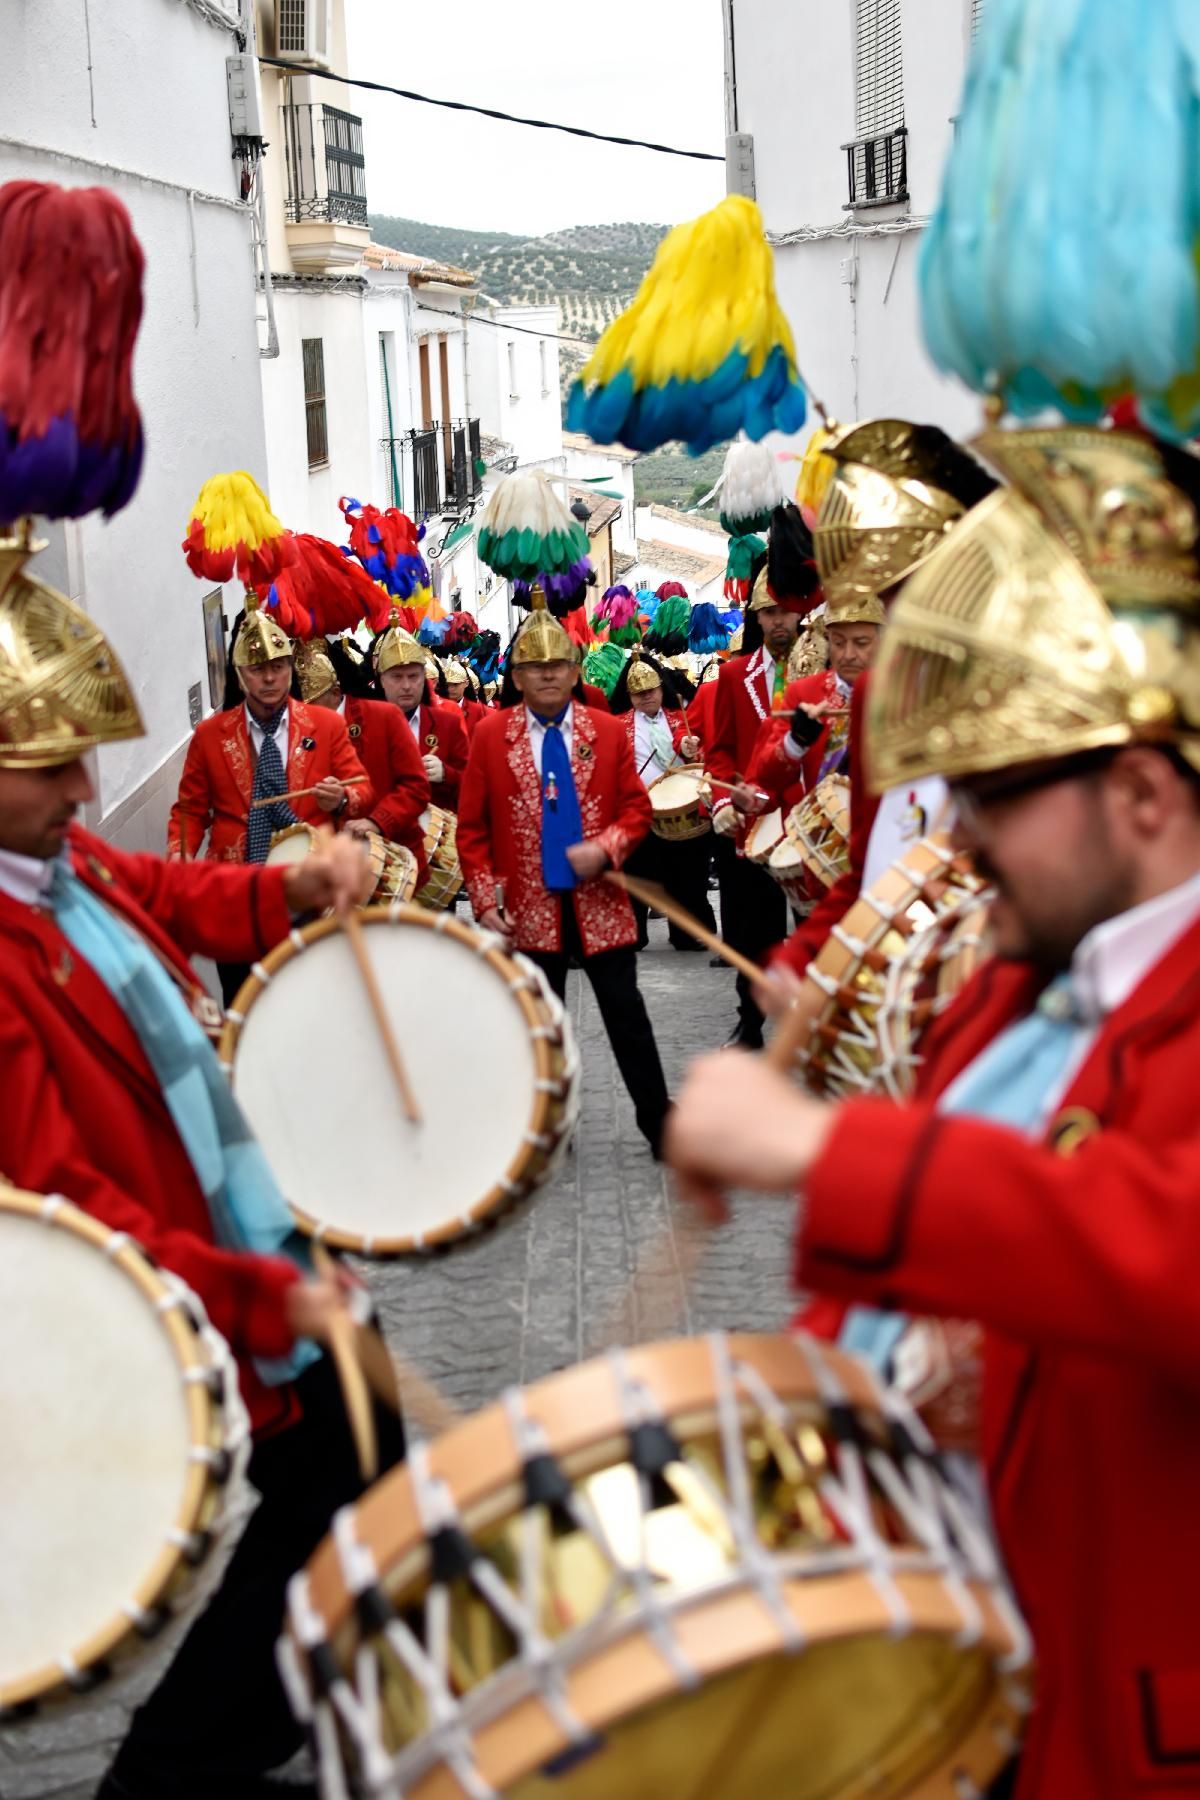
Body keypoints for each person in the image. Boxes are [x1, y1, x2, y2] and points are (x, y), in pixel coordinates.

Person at [667, 424, 1200, 1799]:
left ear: (1142, 794)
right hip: (966, 1661)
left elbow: (1160, 1246)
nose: (951, 838)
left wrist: (831, 1151)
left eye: (996, 794)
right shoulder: (1021, 975)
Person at [0, 571, 402, 1799]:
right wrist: (258, 1297)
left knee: (354, 1452)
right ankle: (182, 1766)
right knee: (338, 1468)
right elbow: (61, 1204)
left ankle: (228, 1740)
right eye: (50, 763)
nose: (83, 790)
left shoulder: (63, 871)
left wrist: (295, 882)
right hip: (157, 1293)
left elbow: (174, 890)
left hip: (224, 1255)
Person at [457, 595, 672, 1157]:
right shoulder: (489, 737)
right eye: (534, 667)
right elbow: (472, 830)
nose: (547, 675)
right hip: (529, 908)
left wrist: (606, 849)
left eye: (557, 666)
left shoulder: (605, 730)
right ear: (518, 675)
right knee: (538, 1028)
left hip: (599, 903)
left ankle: (660, 1124)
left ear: (576, 670)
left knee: (628, 1017)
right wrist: (484, 903)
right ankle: (550, 1129)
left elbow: (636, 811)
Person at [168, 605, 370, 1006]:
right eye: (258, 669)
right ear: (240, 675)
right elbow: (190, 810)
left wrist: (342, 796)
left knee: (314, 1004)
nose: (270, 677)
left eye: (278, 666)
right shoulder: (209, 737)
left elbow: (361, 787)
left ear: (290, 669)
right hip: (238, 892)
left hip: (312, 889)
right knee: (246, 1003)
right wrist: (181, 859)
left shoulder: (326, 726)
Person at [707, 505, 822, 1046]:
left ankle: (817, 1020)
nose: (777, 622)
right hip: (753, 822)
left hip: (811, 819)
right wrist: (722, 802)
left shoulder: (824, 675)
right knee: (752, 929)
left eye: (784, 611)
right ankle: (749, 1019)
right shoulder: (733, 675)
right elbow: (720, 750)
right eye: (767, 614)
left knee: (816, 928)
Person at [298, 645, 431, 883]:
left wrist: (376, 821)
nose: (306, 716)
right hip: (333, 873)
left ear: (336, 693)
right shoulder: (301, 728)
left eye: (313, 705)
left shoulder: (385, 716)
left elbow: (416, 787)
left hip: (394, 866)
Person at [610, 649, 712, 949]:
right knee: (637, 874)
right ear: (629, 695)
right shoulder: (618, 725)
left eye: (651, 690)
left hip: (680, 806)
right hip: (638, 808)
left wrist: (692, 748)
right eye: (638, 693)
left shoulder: (680, 717)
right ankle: (635, 933)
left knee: (688, 874)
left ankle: (687, 932)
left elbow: (700, 753)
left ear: (660, 688)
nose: (646, 697)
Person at [745, 597, 882, 816]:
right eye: (838, 643)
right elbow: (768, 777)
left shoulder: (901, 692)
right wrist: (795, 741)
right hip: (821, 825)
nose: (848, 654)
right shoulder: (804, 693)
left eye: (861, 643)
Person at [373, 621, 469, 814]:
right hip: (382, 835)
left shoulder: (447, 724)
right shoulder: (364, 726)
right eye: (397, 677)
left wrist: (446, 774)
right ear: (382, 680)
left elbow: (473, 782)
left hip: (438, 836)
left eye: (413, 676)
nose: (407, 685)